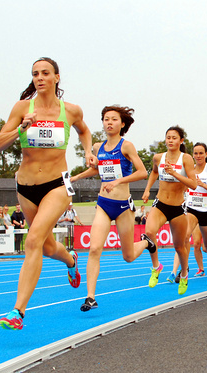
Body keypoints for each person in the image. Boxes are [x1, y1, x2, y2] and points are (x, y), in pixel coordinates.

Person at [0, 57, 95, 330]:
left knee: (33, 240)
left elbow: (84, 131)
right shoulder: (21, 108)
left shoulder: (70, 110)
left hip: (57, 186)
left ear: (56, 77)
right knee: (48, 247)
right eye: (35, 74)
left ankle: (18, 311)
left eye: (45, 73)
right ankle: (71, 260)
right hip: (25, 188)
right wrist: (20, 128)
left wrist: (87, 151)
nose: (39, 78)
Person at [71, 105, 147, 310]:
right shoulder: (98, 147)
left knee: (128, 256)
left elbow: (142, 172)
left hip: (123, 206)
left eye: (114, 119)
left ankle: (147, 243)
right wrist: (77, 176)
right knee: (94, 248)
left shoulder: (127, 146)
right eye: (106, 119)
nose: (109, 122)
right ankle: (90, 297)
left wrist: (119, 181)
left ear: (122, 124)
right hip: (103, 204)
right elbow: (97, 169)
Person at [133, 126, 197, 295]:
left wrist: (175, 173)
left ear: (181, 141)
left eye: (174, 138)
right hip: (160, 204)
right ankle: (156, 267)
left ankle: (183, 275)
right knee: (149, 232)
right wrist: (147, 189)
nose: (170, 140)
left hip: (177, 208)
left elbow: (193, 184)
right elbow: (154, 172)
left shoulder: (186, 159)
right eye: (168, 137)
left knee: (179, 247)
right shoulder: (158, 157)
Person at [167, 142, 207, 286]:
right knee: (184, 237)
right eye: (195, 153)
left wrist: (203, 185)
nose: (198, 156)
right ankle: (184, 269)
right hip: (191, 208)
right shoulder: (188, 169)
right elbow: (183, 185)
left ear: (206, 154)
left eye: (201, 153)